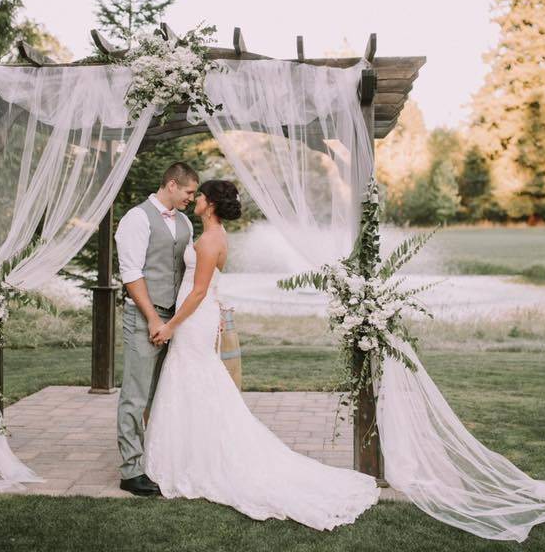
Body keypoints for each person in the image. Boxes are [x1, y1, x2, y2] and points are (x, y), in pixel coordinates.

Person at [143, 179, 380, 530]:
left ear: (210, 204)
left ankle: (198, 458)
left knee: (193, 380)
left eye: (200, 196)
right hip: (199, 317)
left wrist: (170, 326)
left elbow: (197, 293)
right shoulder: (212, 234)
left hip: (193, 318)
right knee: (194, 383)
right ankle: (191, 452)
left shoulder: (210, 240)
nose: (196, 199)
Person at [114, 162, 198, 496]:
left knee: (165, 393)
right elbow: (132, 273)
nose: (191, 198)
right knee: (136, 395)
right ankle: (130, 470)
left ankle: (158, 459)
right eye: (189, 192)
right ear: (173, 185)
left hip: (175, 321)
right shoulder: (136, 219)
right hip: (144, 317)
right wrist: (152, 318)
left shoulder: (185, 222)